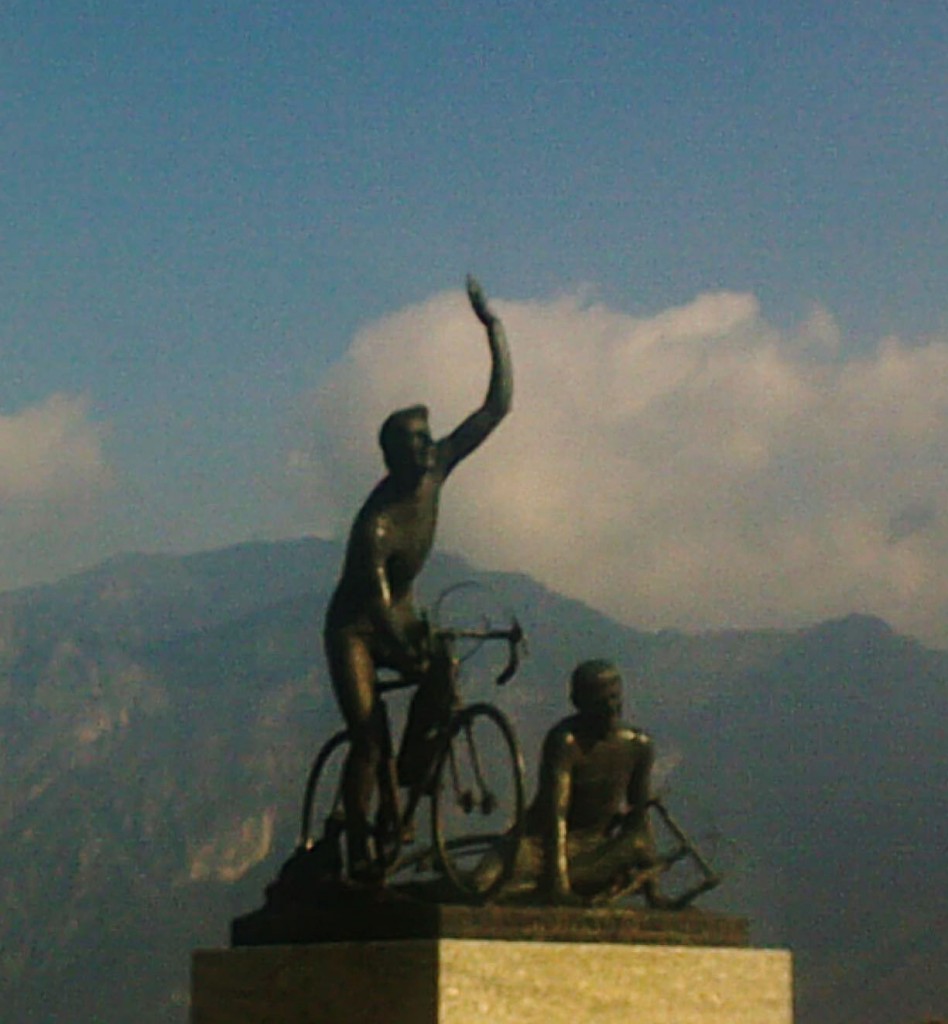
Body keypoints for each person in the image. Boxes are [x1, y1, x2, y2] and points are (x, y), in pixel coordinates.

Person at [323, 276, 513, 879]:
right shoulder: (374, 526)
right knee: (367, 737)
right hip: (355, 628)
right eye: (413, 443)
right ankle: (358, 841)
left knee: (443, 670)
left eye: (428, 438)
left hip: (398, 609)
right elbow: (376, 610)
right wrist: (406, 645)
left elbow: (495, 408)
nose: (427, 448)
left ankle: (411, 771)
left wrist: (494, 328)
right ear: (391, 457)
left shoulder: (438, 472)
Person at [518, 659, 658, 903]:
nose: (611, 708)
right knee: (484, 882)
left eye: (615, 698)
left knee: (635, 843)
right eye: (601, 702)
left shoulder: (638, 745)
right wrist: (558, 885)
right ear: (579, 704)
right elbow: (556, 815)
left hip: (596, 848)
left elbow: (639, 819)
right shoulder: (566, 742)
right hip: (541, 845)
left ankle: (554, 884)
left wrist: (653, 890)